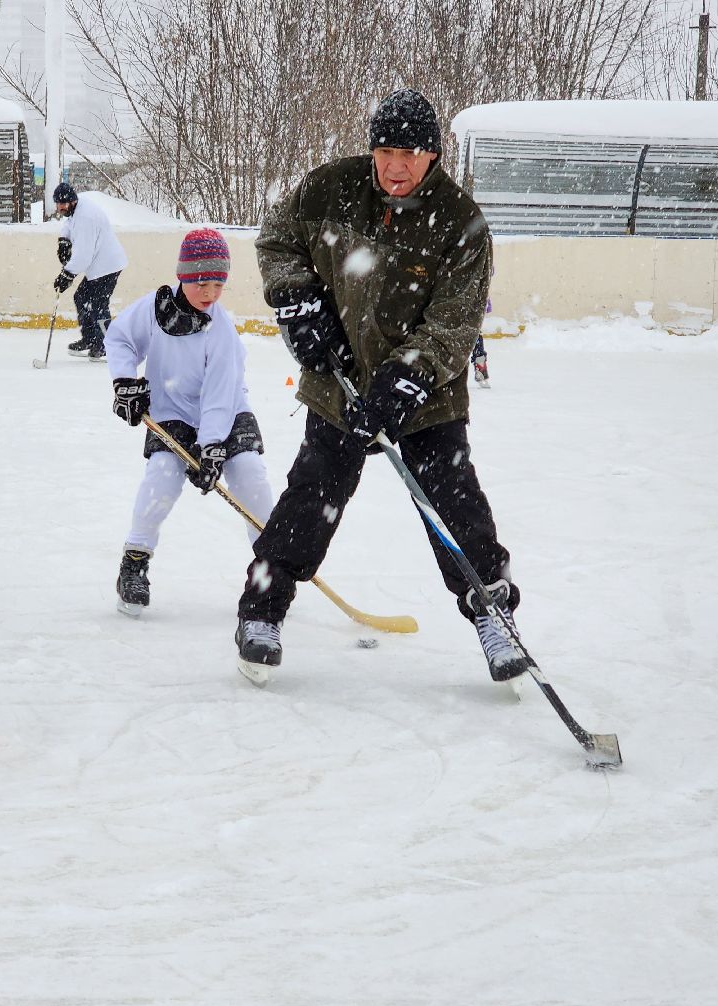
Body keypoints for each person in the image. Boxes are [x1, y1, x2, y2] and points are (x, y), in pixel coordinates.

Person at [234, 88, 527, 685]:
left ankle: (493, 613)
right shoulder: (331, 188)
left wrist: (407, 378)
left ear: (433, 154)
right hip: (338, 384)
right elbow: (277, 243)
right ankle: (262, 611)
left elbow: (454, 319)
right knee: (311, 500)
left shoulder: (461, 222)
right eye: (385, 150)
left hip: (427, 397)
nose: (396, 166)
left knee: (454, 504)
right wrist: (298, 302)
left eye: (411, 153)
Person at [105, 228, 274, 617]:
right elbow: (119, 340)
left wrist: (213, 446)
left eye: (218, 284)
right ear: (183, 275)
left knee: (249, 474)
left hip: (227, 411)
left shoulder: (222, 333)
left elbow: (218, 396)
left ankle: (271, 568)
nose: (210, 293)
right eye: (201, 282)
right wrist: (125, 382)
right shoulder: (153, 309)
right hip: (173, 410)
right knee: (162, 475)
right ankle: (134, 562)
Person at [52, 181, 128, 360]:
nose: (60, 207)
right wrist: (64, 240)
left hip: (107, 266)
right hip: (99, 265)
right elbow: (69, 225)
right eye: (58, 204)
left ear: (72, 202)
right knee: (82, 298)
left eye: (62, 204)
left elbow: (83, 255)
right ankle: (90, 339)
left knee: (98, 305)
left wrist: (66, 275)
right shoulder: (77, 208)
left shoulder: (85, 218)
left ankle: (106, 346)